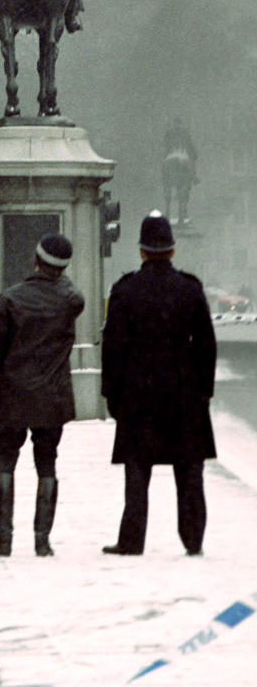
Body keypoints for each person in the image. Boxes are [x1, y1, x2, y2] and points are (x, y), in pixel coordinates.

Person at [100, 210, 216, 556]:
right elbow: (206, 345)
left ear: (141, 251)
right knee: (189, 470)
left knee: (137, 470)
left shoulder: (125, 291)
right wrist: (204, 391)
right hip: (185, 393)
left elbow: (114, 346)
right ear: (172, 250)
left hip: (138, 392)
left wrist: (112, 393)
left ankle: (132, 539)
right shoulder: (190, 288)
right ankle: (193, 538)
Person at [0, 232, 85, 557]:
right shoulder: (71, 301)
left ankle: (4, 537)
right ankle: (42, 540)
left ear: (35, 260)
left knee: (5, 460)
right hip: (52, 396)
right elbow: (71, 295)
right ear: (63, 267)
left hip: (13, 395)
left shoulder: (10, 299)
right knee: (47, 464)